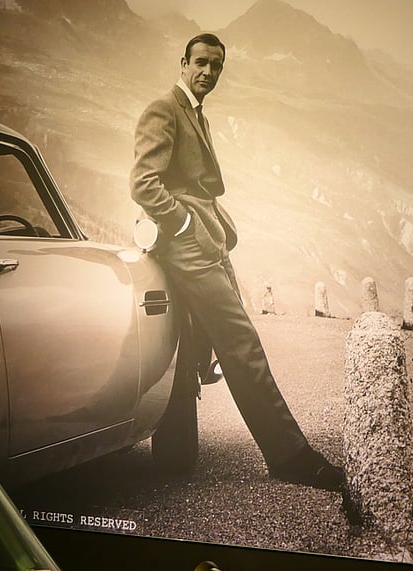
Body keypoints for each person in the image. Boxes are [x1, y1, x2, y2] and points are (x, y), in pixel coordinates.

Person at [130, 33, 345, 491]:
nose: (208, 73)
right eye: (201, 63)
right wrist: (184, 225)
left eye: (216, 67)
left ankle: (174, 452)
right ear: (183, 63)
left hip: (206, 238)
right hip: (187, 245)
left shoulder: (193, 110)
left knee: (190, 344)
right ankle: (289, 455)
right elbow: (144, 184)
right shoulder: (164, 108)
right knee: (240, 342)